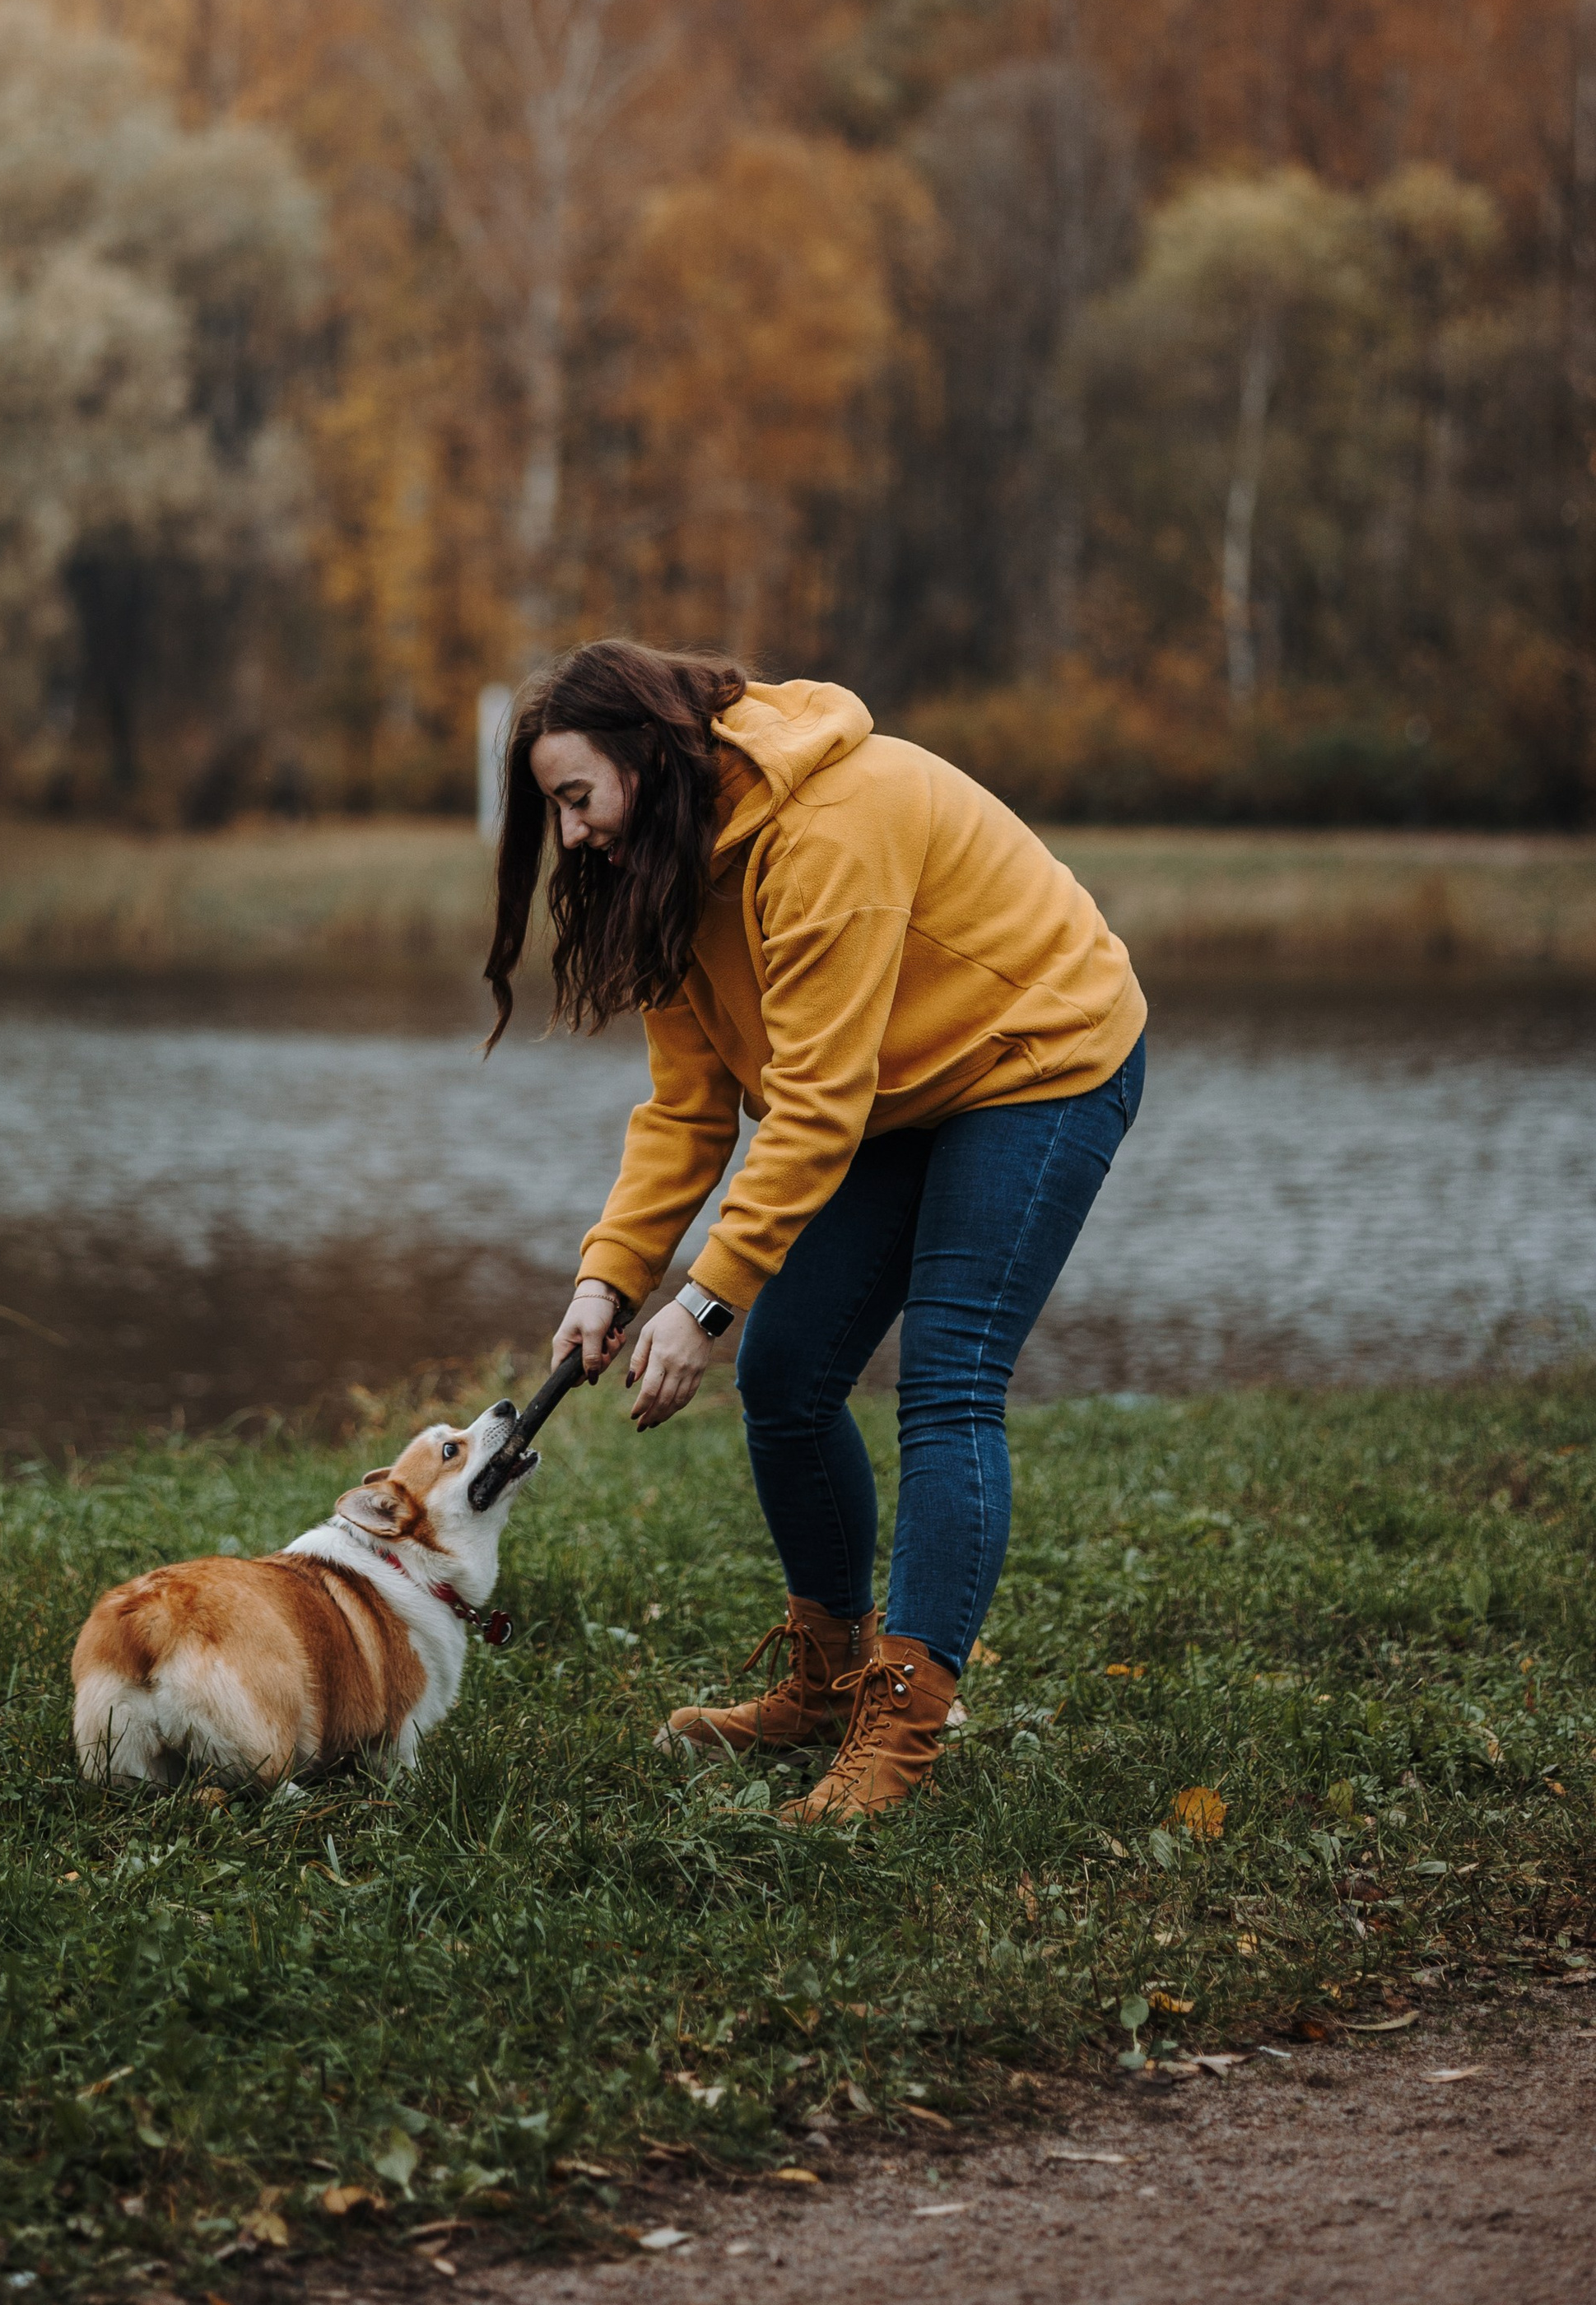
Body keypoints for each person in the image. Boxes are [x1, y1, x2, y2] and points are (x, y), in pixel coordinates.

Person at [485, 640, 1146, 1825]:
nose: (571, 836)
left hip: (1039, 1057)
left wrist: (703, 1301)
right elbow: (689, 1108)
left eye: (577, 798)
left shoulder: (834, 824)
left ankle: (902, 1722)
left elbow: (817, 1106)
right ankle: (829, 1684)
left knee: (948, 1381)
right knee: (786, 1375)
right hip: (896, 1088)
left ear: (648, 757)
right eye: (556, 811)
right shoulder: (672, 866)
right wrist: (611, 1279)